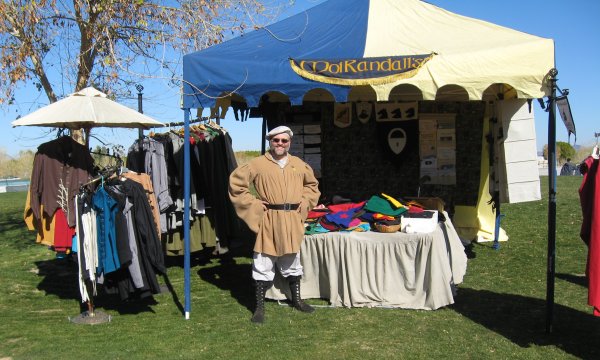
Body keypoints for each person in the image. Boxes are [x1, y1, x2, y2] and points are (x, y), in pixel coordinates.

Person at [229, 125, 321, 323]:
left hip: (291, 219)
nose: (280, 144)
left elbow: (312, 186)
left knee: (292, 260)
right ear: (269, 141)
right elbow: (236, 185)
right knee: (263, 261)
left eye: (284, 141)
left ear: (289, 143)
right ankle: (259, 308)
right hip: (270, 218)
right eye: (276, 140)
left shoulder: (298, 163)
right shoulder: (257, 164)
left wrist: (305, 203)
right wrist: (253, 204)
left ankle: (297, 300)